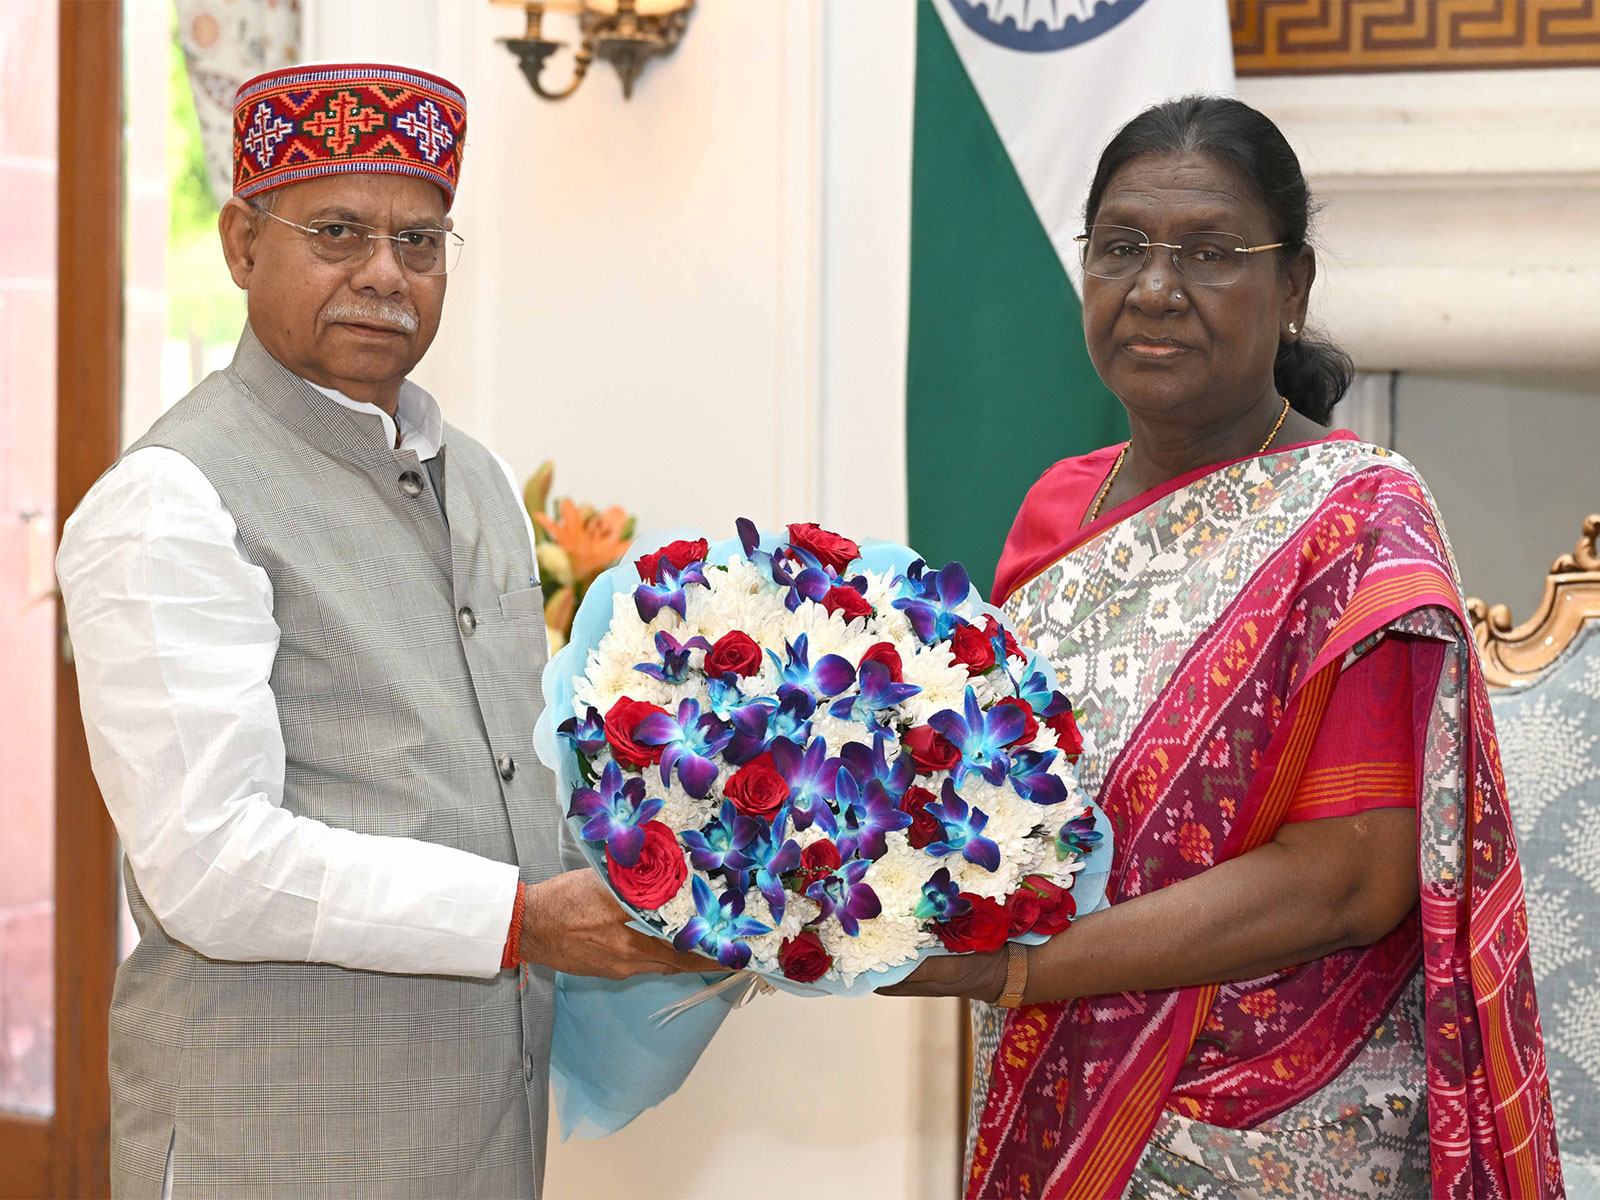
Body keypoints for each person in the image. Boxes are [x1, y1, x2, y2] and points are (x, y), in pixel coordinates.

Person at [882, 96, 1564, 1200]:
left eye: (1208, 253)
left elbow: (1347, 885)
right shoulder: (1056, 513)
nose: (1155, 289)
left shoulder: (1360, 524)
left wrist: (1010, 971)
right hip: (1057, 1092)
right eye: (1120, 249)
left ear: (1291, 286)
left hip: (1287, 1129)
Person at [57, 63, 707, 1199]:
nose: (383, 275)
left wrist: (728, 860)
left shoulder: (483, 481)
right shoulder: (170, 498)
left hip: (474, 1139)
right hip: (270, 1147)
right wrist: (523, 920)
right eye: (338, 231)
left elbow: (522, 777)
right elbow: (210, 861)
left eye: (420, 241)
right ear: (241, 243)